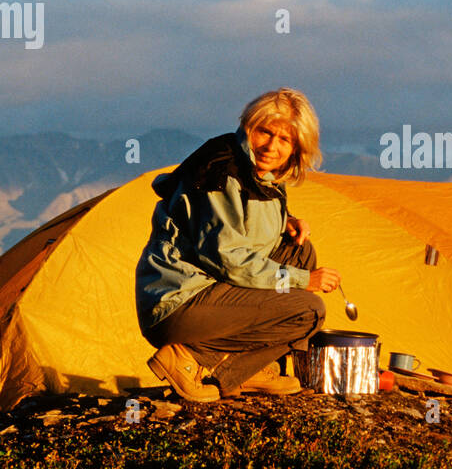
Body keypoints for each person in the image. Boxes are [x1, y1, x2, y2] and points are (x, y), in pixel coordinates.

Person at [135, 88, 341, 401]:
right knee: (308, 311)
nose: (271, 146)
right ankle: (188, 359)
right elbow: (228, 257)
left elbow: (238, 219)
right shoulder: (221, 173)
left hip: (208, 294)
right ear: (248, 128)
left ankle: (245, 370)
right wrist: (304, 281)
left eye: (284, 140)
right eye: (265, 132)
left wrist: (284, 220)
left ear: (297, 147)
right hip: (178, 303)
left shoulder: (255, 173)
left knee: (299, 251)